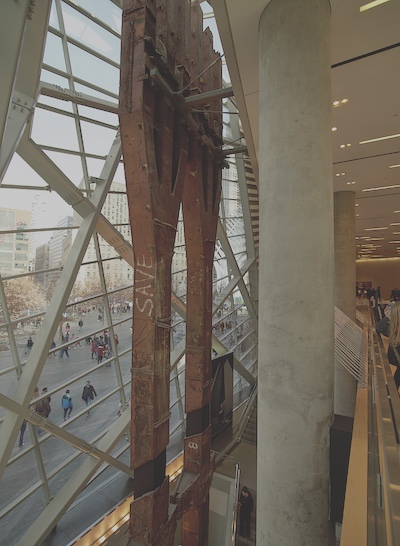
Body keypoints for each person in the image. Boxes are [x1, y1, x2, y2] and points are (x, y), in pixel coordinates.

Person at [376, 302, 400, 390]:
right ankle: (393, 389)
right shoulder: (392, 327)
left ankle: (393, 389)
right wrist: (387, 318)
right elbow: (378, 328)